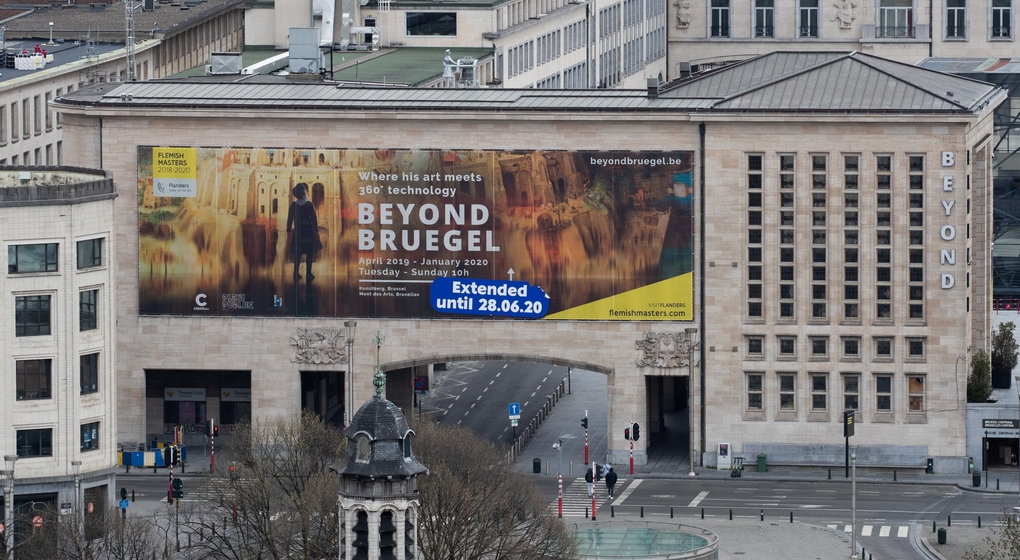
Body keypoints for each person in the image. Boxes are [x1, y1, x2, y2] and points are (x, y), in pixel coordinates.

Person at [286, 183, 322, 280]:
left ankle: (295, 273)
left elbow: (289, 220)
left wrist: (288, 232)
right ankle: (308, 273)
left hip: (298, 230)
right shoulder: (310, 204)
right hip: (308, 230)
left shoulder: (293, 205)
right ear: (303, 193)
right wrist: (316, 231)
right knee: (309, 252)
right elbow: (314, 220)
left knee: (298, 253)